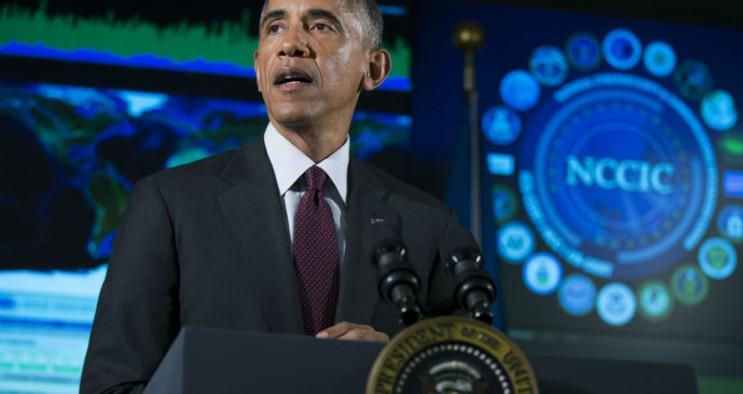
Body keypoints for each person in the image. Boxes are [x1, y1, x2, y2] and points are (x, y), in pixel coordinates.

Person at [80, 0, 465, 392]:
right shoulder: (168, 204)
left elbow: (472, 378)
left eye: (320, 26)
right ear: (259, 68)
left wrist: (400, 367)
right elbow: (112, 387)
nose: (290, 45)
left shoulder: (428, 225)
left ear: (374, 68)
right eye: (275, 28)